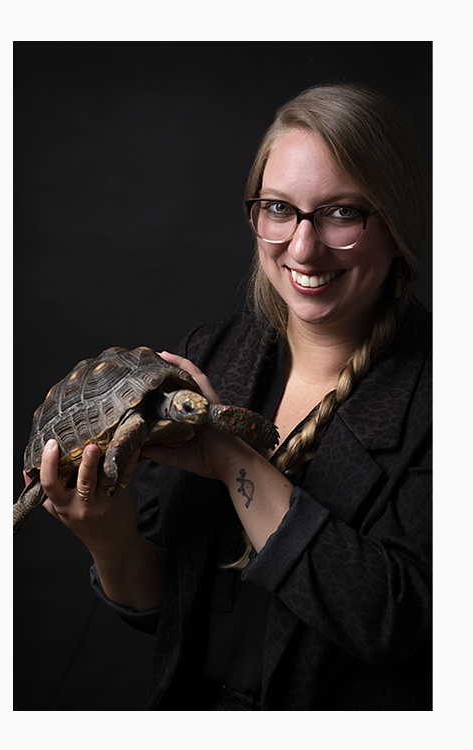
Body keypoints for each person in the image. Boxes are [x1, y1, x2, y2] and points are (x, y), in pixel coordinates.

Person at [35, 83, 431, 709]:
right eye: (279, 209)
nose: (303, 247)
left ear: (398, 221)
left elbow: (390, 619)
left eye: (342, 213)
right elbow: (168, 606)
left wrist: (231, 458)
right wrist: (110, 539)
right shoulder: (211, 355)